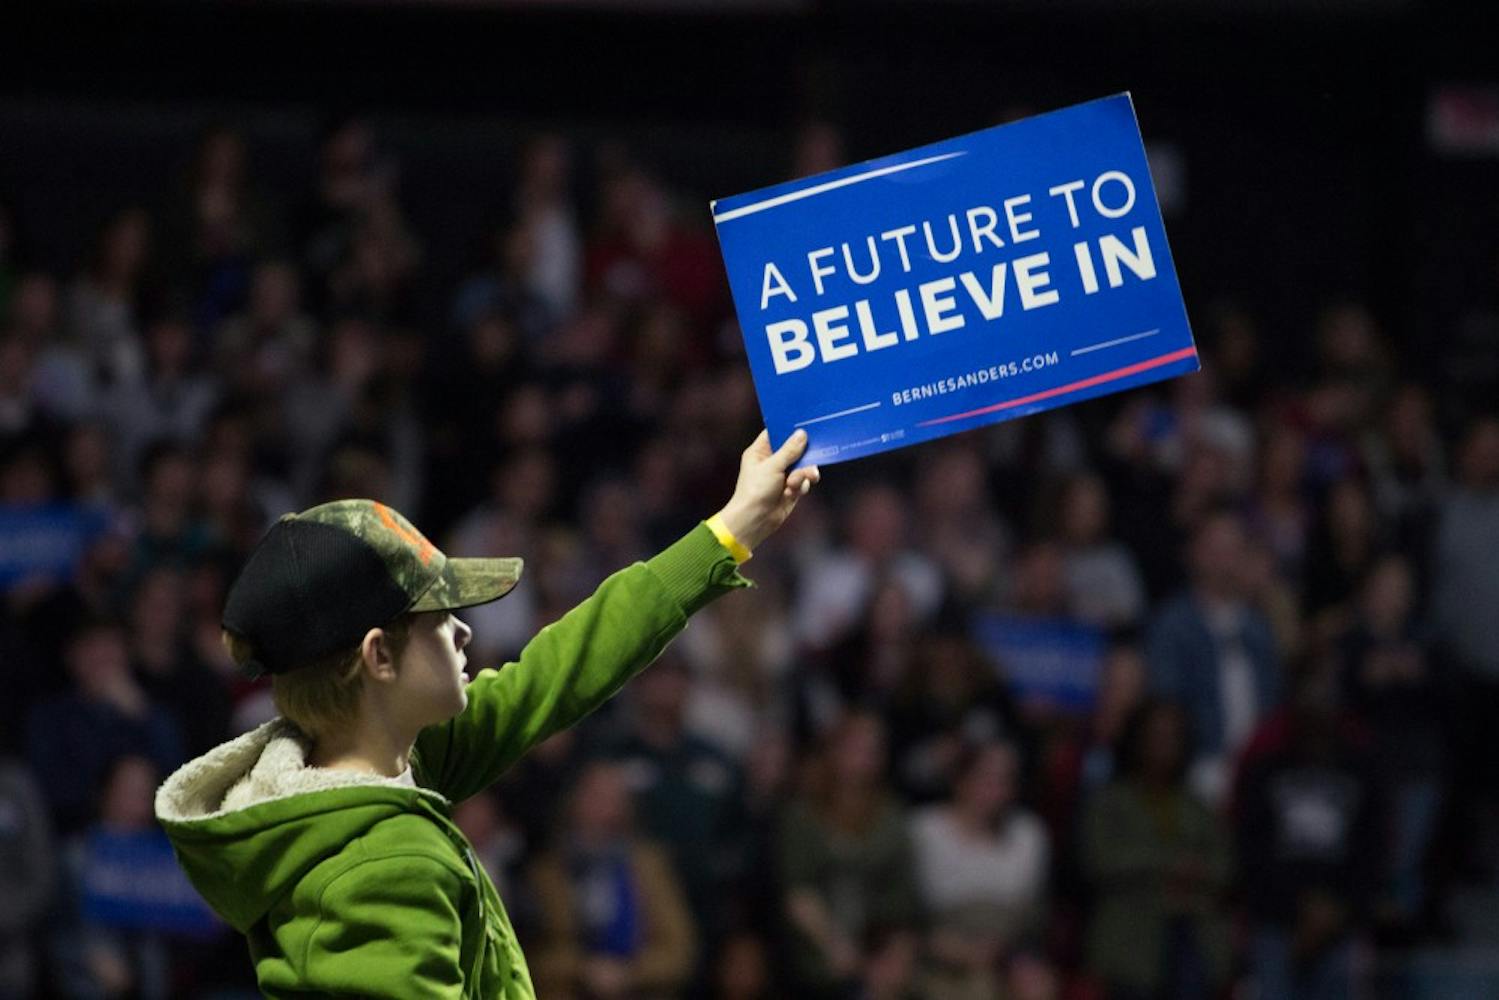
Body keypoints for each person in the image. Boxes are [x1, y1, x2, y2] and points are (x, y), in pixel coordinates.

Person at [153, 428, 821, 998]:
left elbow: (559, 671)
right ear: (378, 656)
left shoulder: (387, 770)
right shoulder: (383, 864)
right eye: (440, 618)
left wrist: (730, 530)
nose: (465, 631)